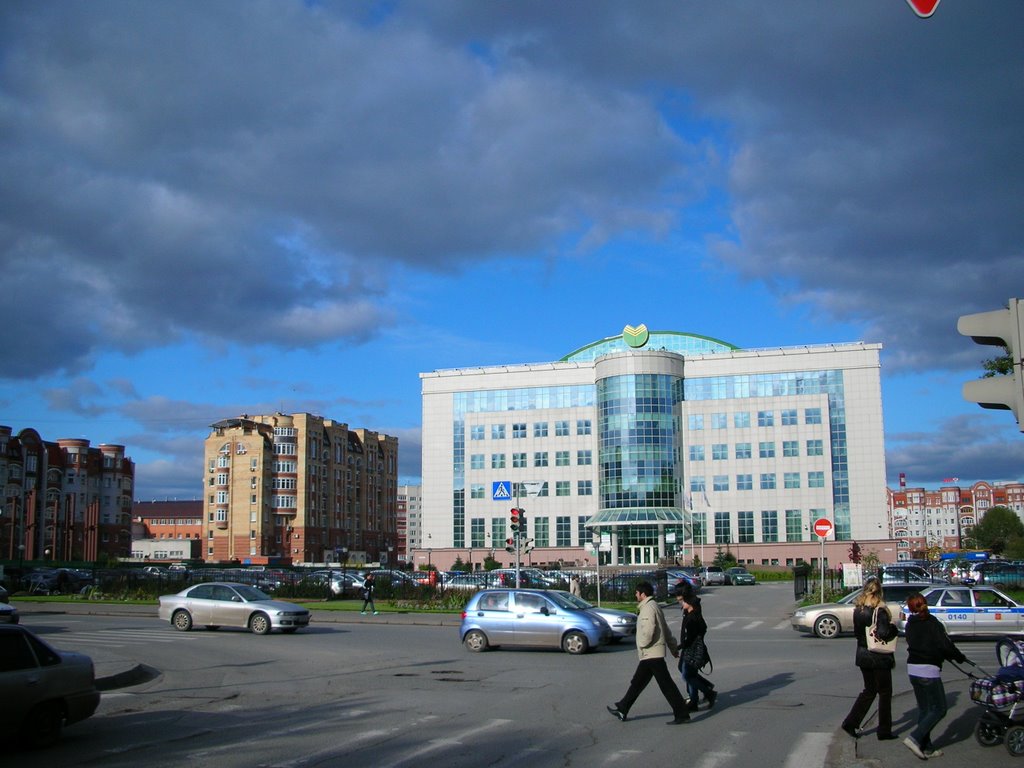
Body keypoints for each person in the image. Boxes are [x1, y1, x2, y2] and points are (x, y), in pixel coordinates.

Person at [607, 581, 691, 725]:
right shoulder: (654, 606)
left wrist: (642, 645)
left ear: (643, 594)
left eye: (637, 593)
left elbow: (649, 631)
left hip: (651, 653)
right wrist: (673, 648)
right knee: (637, 683)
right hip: (652, 654)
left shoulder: (647, 609)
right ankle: (623, 707)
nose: (635, 595)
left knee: (666, 685)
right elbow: (665, 629)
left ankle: (682, 713)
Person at [902, 592, 968, 759]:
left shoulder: (910, 623)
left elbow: (923, 643)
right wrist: (959, 657)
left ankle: (927, 747)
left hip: (913, 669)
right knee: (939, 709)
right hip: (928, 670)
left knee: (925, 710)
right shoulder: (932, 622)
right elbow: (945, 645)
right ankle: (914, 738)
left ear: (911, 608)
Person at [840, 577, 899, 741]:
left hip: (862, 653)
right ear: (879, 592)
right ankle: (884, 730)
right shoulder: (879, 610)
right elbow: (883, 633)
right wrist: (893, 627)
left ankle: (851, 722)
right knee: (885, 693)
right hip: (879, 655)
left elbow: (857, 632)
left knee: (869, 690)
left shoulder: (858, 609)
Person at [675, 584, 717, 711]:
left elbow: (694, 634)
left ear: (687, 599)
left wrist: (680, 646)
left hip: (692, 649)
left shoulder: (693, 615)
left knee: (688, 674)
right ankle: (704, 689)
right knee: (686, 671)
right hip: (689, 648)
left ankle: (703, 694)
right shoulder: (689, 612)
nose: (680, 603)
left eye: (682, 600)